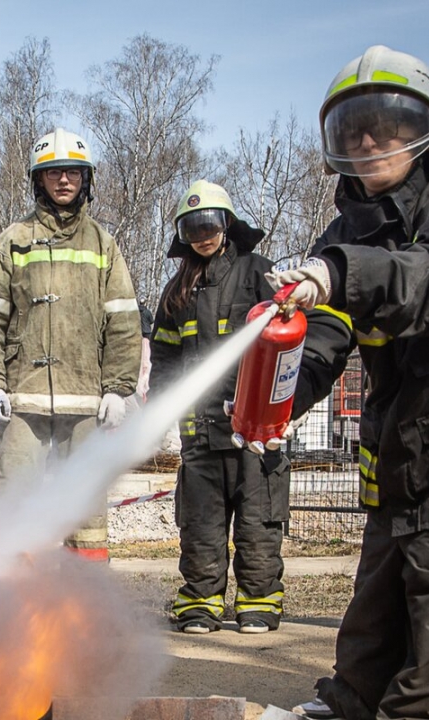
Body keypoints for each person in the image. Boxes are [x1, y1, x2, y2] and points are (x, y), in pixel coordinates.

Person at [264, 46, 429, 720]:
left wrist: (340, 271)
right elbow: (324, 343)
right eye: (353, 128)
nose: (368, 141)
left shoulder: (348, 251)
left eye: (384, 126)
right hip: (400, 462)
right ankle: (347, 705)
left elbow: (416, 280)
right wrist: (269, 407)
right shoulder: (346, 231)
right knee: (375, 612)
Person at [0, 127, 142, 557]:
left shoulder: (103, 244)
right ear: (38, 180)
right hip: (22, 399)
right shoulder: (14, 241)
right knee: (12, 502)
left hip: (84, 401)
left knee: (85, 513)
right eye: (54, 173)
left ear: (86, 180)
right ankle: (8, 604)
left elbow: (122, 322)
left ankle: (84, 606)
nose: (64, 180)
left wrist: (118, 389)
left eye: (73, 173)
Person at [149, 180, 290, 634]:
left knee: (258, 520)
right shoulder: (177, 291)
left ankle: (259, 601)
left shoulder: (258, 274)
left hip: (255, 429)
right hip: (201, 431)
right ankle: (200, 603)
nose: (202, 235)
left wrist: (287, 401)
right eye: (191, 227)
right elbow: (166, 361)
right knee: (201, 525)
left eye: (209, 224)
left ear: (227, 224)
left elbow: (288, 342)